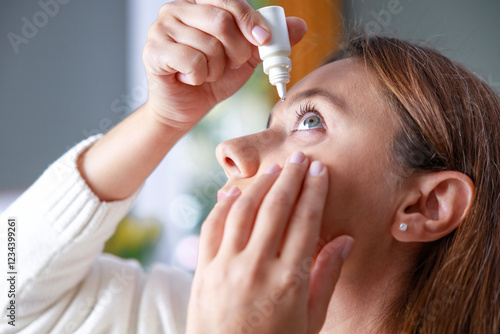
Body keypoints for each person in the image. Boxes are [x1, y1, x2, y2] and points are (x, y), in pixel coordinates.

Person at [0, 0, 498, 333]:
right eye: (268, 119)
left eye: (310, 121)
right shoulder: (185, 314)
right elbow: (9, 294)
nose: (231, 149)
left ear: (426, 204)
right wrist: (162, 118)